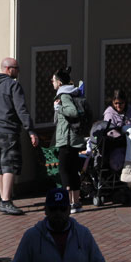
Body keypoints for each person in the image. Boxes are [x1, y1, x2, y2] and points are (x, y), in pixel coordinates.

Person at [0, 57, 39, 216]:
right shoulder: (12, 85)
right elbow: (21, 109)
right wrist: (31, 130)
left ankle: (3, 198)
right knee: (9, 164)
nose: (18, 71)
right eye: (17, 68)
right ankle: (6, 201)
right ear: (9, 69)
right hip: (7, 130)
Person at [11, 187, 106, 262]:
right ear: (46, 210)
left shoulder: (83, 234)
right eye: (53, 208)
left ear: (69, 210)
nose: (58, 213)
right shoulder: (32, 236)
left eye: (62, 208)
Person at [52, 66, 87, 214]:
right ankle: (76, 203)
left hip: (67, 140)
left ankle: (66, 203)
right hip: (73, 138)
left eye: (53, 80)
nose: (51, 82)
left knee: (64, 171)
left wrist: (59, 109)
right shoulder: (72, 93)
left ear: (59, 83)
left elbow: (72, 112)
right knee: (73, 171)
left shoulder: (64, 96)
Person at [102, 89, 131, 173]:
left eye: (121, 103)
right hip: (118, 142)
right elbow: (110, 131)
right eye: (116, 103)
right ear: (112, 102)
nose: (118, 106)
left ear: (125, 102)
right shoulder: (109, 113)